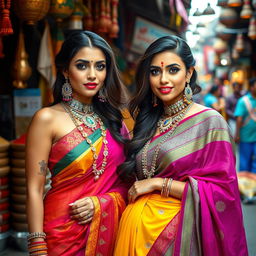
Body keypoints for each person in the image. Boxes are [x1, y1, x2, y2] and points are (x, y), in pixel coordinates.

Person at [114, 35, 248, 256]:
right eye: (155, 71)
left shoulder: (210, 123)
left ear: (189, 73)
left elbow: (223, 194)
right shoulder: (148, 121)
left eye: (173, 70)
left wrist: (157, 184)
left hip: (179, 239)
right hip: (136, 236)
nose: (163, 79)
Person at [26, 30, 130, 256]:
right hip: (60, 233)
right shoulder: (47, 119)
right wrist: (37, 245)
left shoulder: (115, 121)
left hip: (108, 231)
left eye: (100, 67)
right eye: (82, 66)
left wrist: (102, 203)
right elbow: (34, 189)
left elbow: (128, 180)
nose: (92, 75)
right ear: (65, 70)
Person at [234, 78, 256, 174]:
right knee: (244, 162)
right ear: (251, 87)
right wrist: (237, 134)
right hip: (246, 137)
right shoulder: (243, 101)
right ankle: (244, 187)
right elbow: (239, 118)